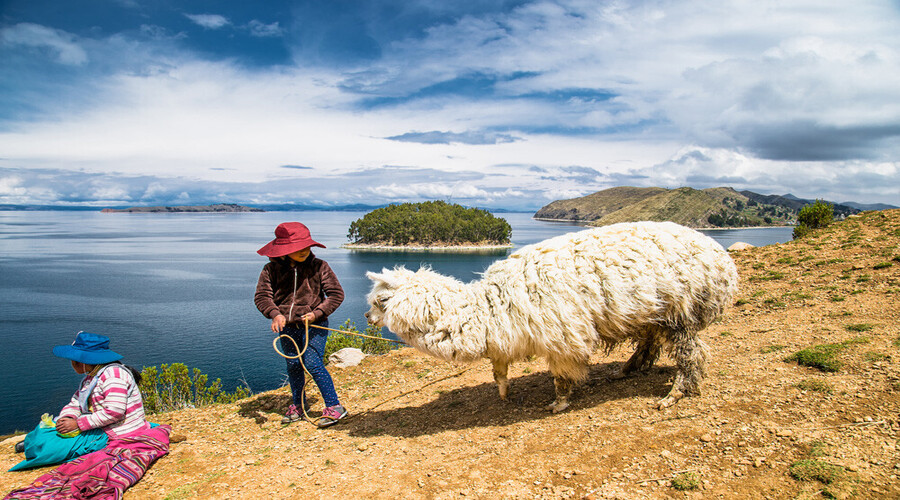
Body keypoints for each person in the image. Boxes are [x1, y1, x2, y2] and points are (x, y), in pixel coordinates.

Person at [9, 331, 154, 471]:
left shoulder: (114, 376)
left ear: (85, 360)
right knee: (46, 429)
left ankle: (37, 447)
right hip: (102, 425)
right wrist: (68, 416)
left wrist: (78, 424)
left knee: (56, 448)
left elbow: (114, 412)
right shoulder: (92, 378)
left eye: (74, 359)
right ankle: (34, 444)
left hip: (117, 431)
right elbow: (76, 402)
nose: (72, 363)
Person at [254, 222, 348, 427]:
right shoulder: (270, 270)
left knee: (313, 363)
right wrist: (275, 314)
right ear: (284, 250)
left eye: (307, 246)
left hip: (315, 325)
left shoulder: (320, 266)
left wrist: (317, 313)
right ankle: (298, 405)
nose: (305, 250)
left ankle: (335, 406)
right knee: (294, 365)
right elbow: (262, 297)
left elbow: (336, 295)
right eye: (299, 247)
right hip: (288, 328)